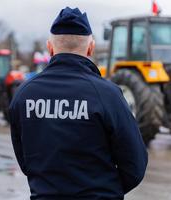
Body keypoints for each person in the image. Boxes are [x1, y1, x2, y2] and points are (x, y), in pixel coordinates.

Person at [9, 7, 148, 200]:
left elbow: (25, 161)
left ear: (50, 48)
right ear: (91, 48)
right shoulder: (108, 95)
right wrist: (104, 190)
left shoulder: (24, 95)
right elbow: (135, 165)